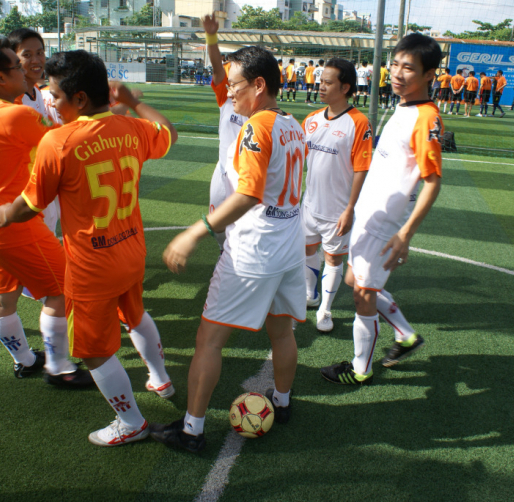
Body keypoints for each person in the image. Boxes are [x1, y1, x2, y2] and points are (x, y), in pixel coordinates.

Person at [0, 50, 178, 446]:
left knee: (94, 352)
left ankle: (131, 422)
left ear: (79, 99)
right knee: (135, 314)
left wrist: (6, 214)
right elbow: (169, 133)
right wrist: (134, 101)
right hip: (131, 249)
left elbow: (31, 205)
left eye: (56, 97)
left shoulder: (57, 141)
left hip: (92, 265)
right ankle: (161, 380)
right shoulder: (131, 126)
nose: (52, 104)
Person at [152, 45, 306, 453]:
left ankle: (192, 430)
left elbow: (248, 195)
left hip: (255, 250)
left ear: (258, 84)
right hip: (289, 247)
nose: (229, 91)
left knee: (209, 340)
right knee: (281, 329)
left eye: (234, 84)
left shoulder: (256, 127)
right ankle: (284, 403)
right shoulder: (294, 123)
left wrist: (194, 231)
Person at [0, 38, 92, 388]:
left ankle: (26, 361)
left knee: (1, 298)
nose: (25, 69)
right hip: (15, 225)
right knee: (63, 289)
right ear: (1, 78)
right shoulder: (16, 114)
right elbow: (64, 144)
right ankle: (60, 368)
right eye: (16, 66)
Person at [320, 33, 443, 385]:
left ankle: (360, 371)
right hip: (368, 216)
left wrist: (404, 234)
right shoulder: (404, 107)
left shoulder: (425, 117)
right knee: (353, 281)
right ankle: (405, 335)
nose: (398, 73)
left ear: (430, 74)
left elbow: (433, 181)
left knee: (362, 295)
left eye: (409, 68)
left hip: (383, 225)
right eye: (396, 64)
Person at [302, 58, 372, 332]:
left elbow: (361, 169)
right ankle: (311, 294)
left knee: (332, 258)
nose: (321, 87)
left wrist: (350, 208)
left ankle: (326, 310)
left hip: (337, 209)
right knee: (307, 249)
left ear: (345, 87)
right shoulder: (311, 120)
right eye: (321, 82)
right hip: (309, 205)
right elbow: (300, 160)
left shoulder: (359, 122)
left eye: (328, 83)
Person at [203, 14, 247, 247]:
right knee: (217, 226)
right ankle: (223, 253)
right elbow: (216, 66)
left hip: (246, 176)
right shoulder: (225, 97)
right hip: (222, 173)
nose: (229, 81)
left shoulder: (258, 104)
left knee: (244, 226)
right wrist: (211, 35)